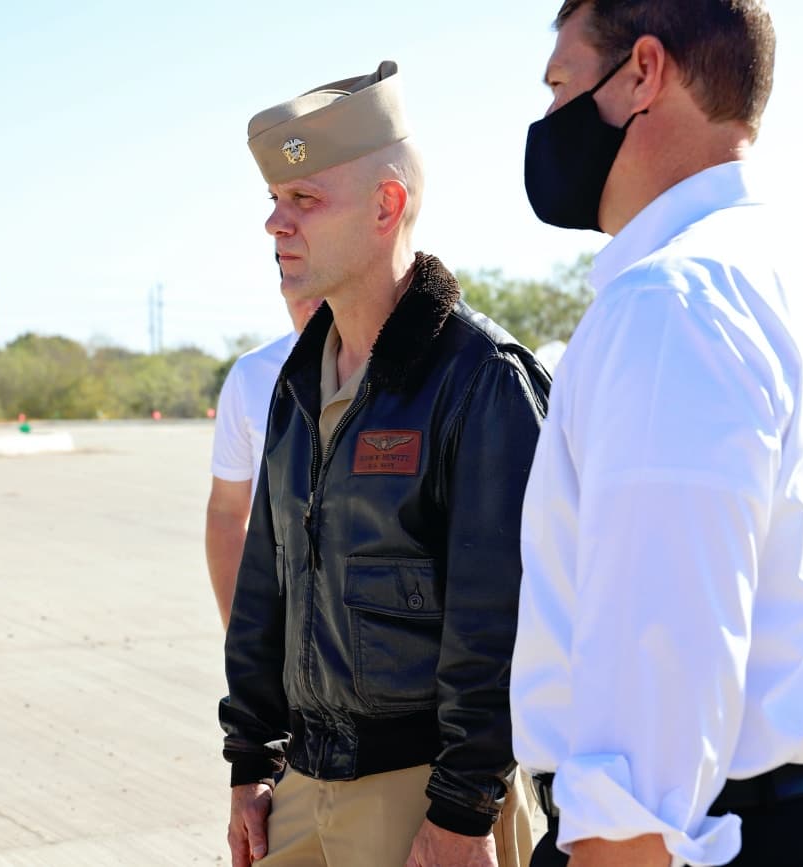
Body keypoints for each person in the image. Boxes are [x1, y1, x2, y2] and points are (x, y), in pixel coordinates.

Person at [509, 3, 803, 866]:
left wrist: (614, 843)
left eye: (559, 84)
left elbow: (658, 687)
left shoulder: (673, 304)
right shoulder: (796, 283)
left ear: (643, 72)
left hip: (698, 841)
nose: (548, 120)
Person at [220, 62, 549, 867]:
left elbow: (502, 621)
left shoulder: (480, 380)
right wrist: (250, 759)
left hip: (426, 800)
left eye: (304, 199)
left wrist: (464, 809)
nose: (275, 223)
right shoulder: (299, 379)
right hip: (299, 787)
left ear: (386, 205)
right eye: (273, 199)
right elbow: (266, 582)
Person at [207, 287, 320, 629]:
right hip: (282, 627)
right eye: (299, 283)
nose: (315, 301)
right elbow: (226, 513)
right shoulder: (251, 374)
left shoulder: (411, 368)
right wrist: (240, 635)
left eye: (324, 282)